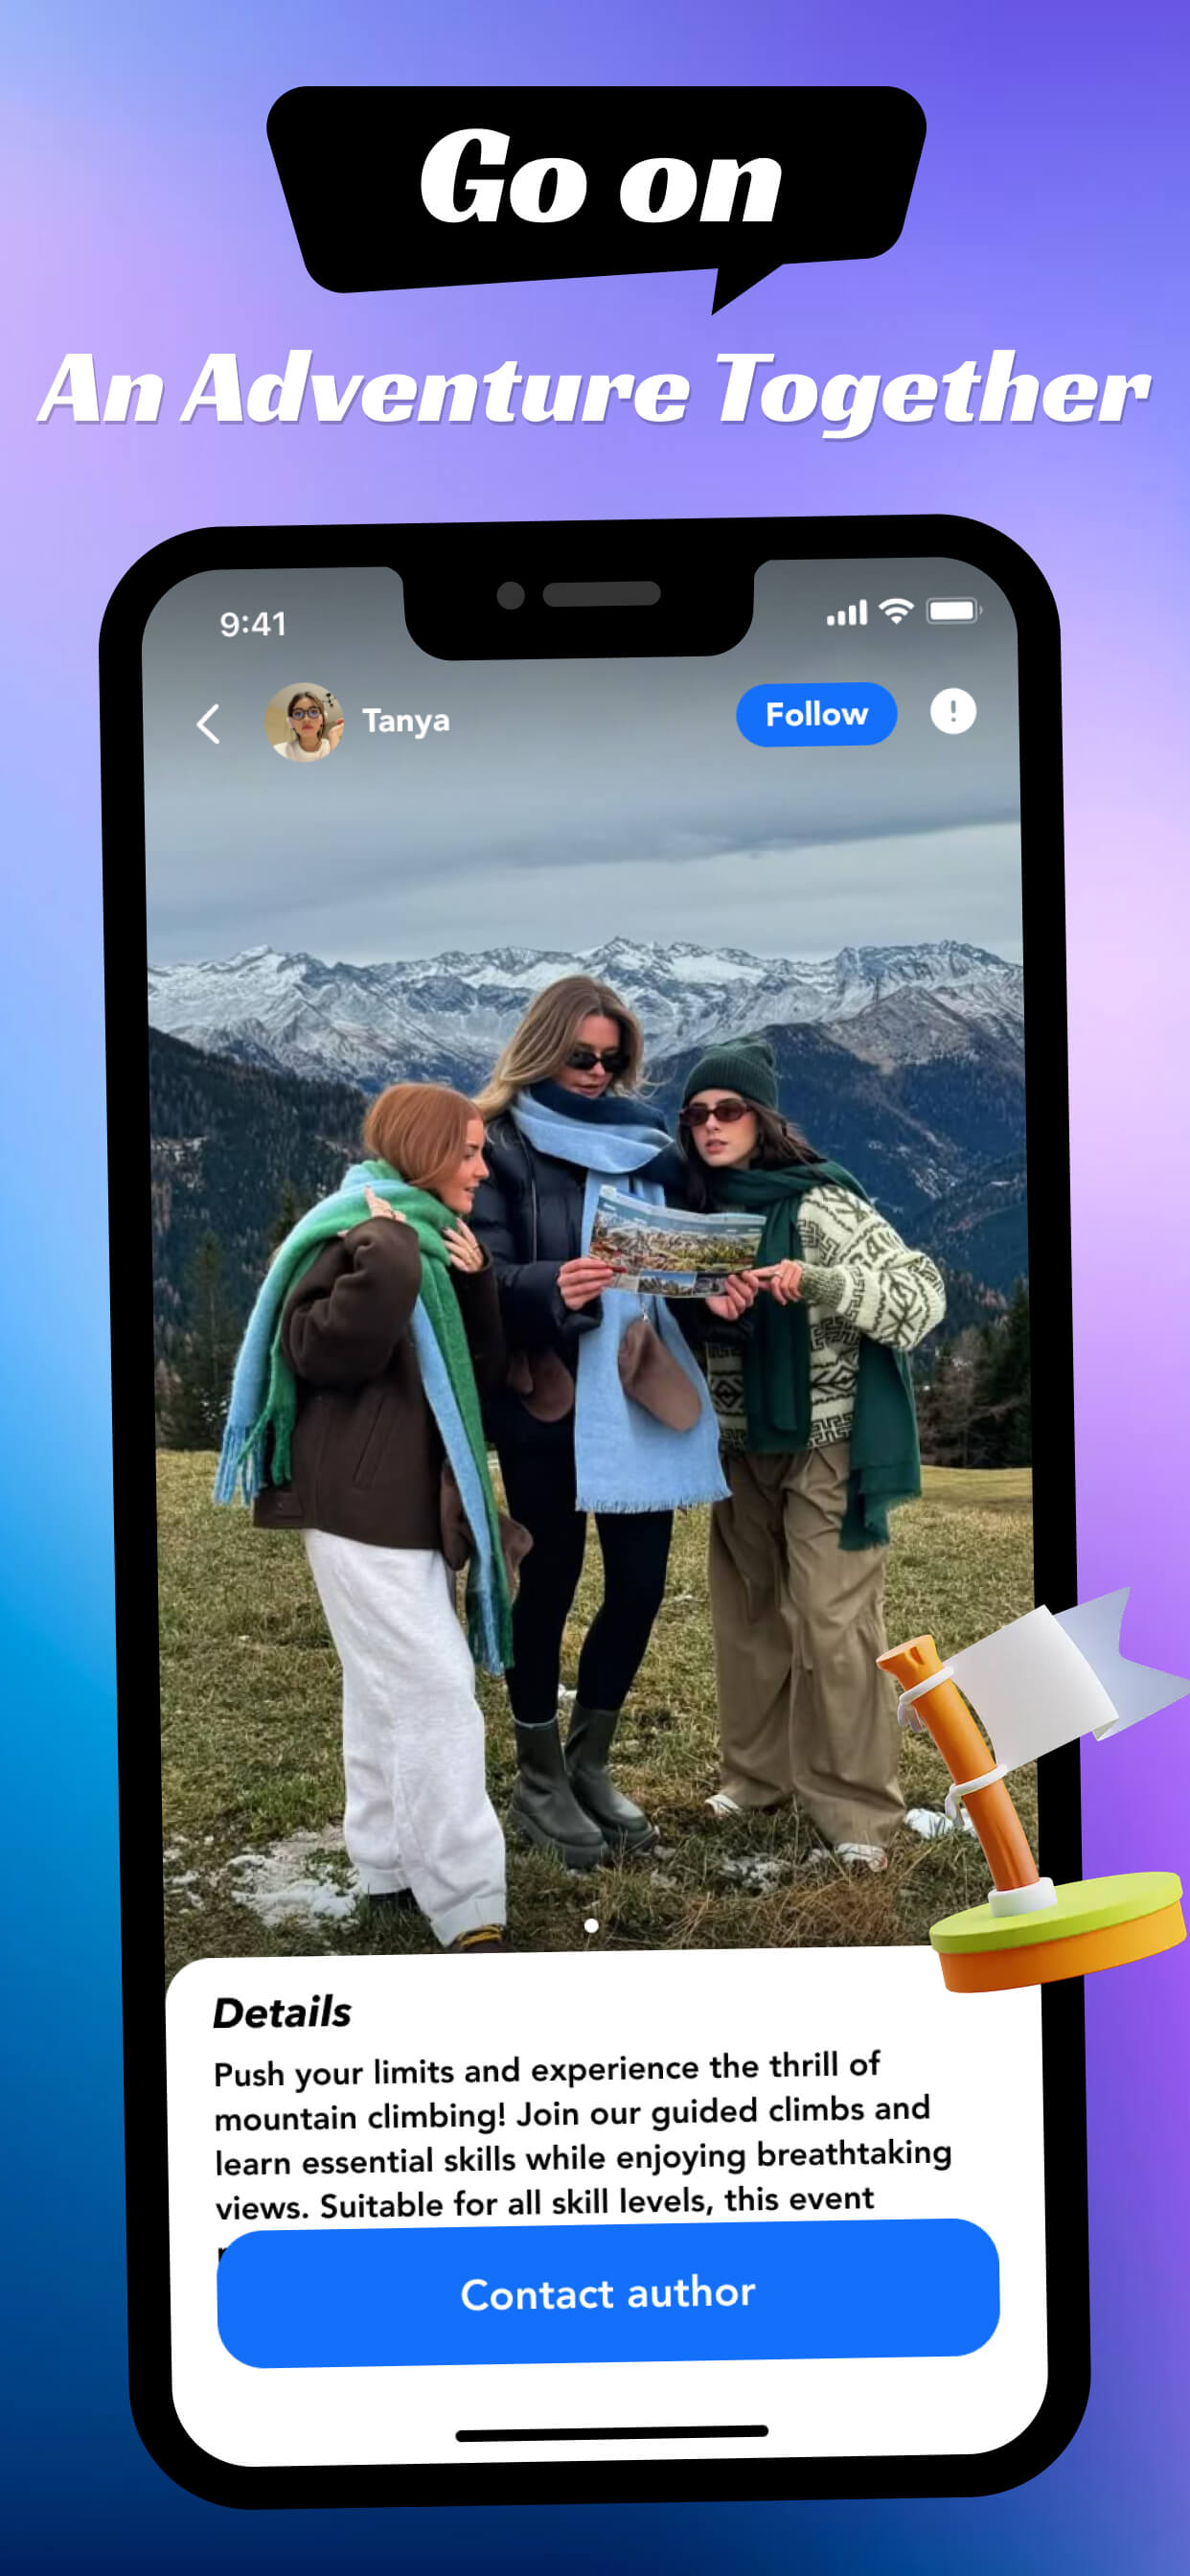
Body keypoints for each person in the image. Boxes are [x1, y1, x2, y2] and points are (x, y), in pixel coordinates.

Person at [215, 1083, 528, 1953]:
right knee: (432, 1690)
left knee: (383, 1684)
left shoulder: (432, 1238)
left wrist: (479, 1284)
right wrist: (387, 1252)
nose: (481, 1165)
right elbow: (323, 1353)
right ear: (424, 1150)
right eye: (466, 1150)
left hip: (413, 1503)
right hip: (357, 1505)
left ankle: (385, 1861)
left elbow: (485, 1375)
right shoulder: (358, 1231)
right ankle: (468, 1903)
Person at [470, 975, 728, 1872]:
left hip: (637, 1390)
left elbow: (673, 1283)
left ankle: (588, 1762)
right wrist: (553, 1285)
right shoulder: (498, 1145)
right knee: (550, 1581)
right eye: (580, 1055)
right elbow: (481, 1280)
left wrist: (716, 1297)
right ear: (543, 1047)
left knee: (642, 1585)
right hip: (547, 1391)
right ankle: (538, 1774)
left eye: (612, 1058)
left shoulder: (647, 1145)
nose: (596, 1072)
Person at [676, 1038, 946, 1871]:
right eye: (696, 1114)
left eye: (728, 1110)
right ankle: (756, 1778)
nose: (710, 1127)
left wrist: (825, 1284)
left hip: (828, 1442)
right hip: (731, 1445)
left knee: (834, 1625)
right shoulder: (688, 1208)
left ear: (762, 1117)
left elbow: (920, 1296)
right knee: (749, 1615)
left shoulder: (822, 1206)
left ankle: (859, 1813)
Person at [275, 690, 332, 760]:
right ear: (291, 722)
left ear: (323, 719)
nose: (306, 719)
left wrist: (334, 736)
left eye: (314, 712)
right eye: (298, 714)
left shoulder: (333, 746)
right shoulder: (279, 750)